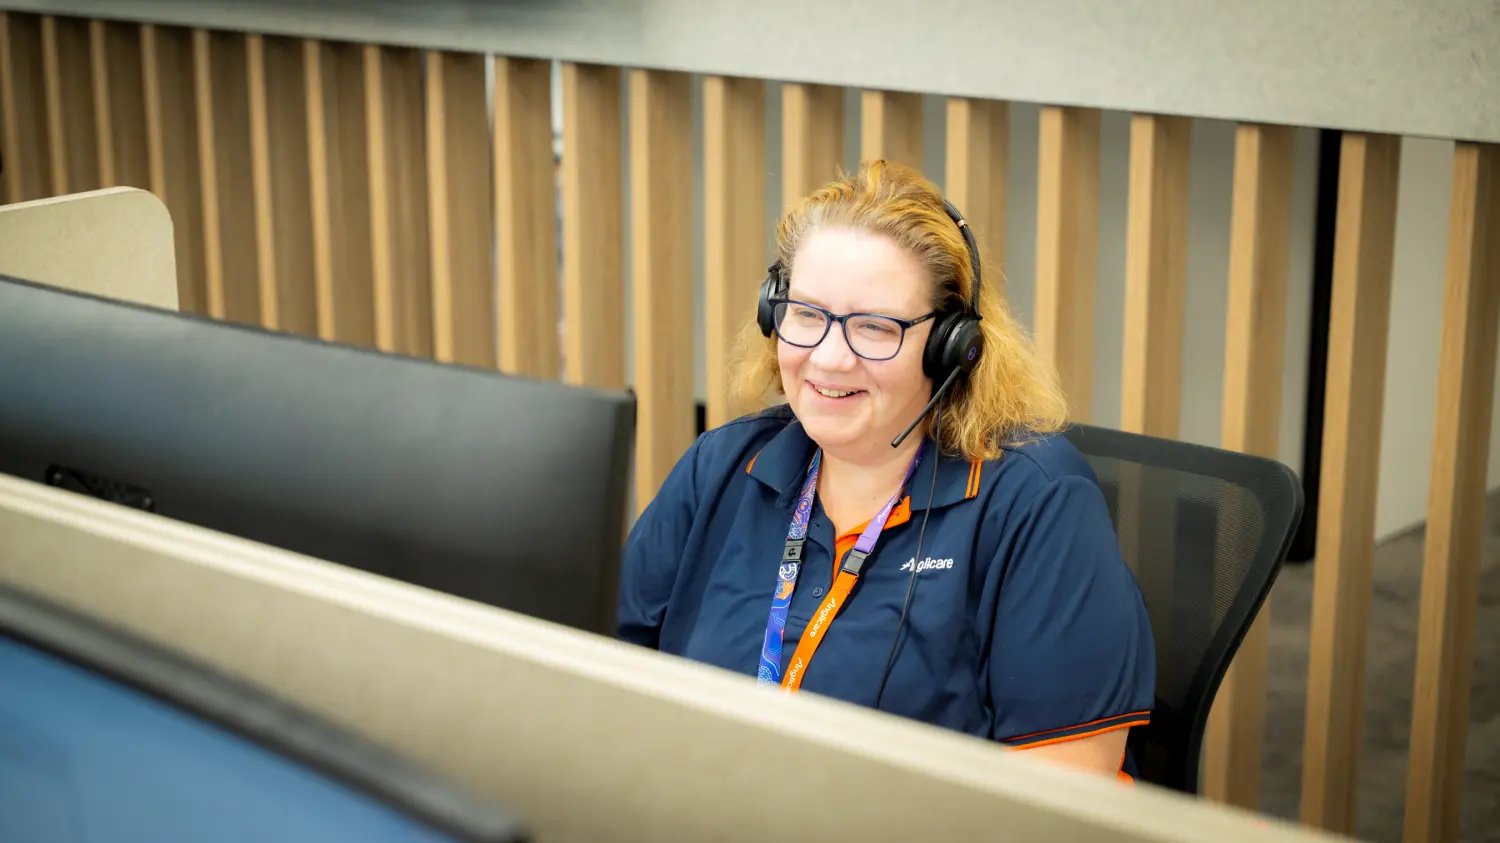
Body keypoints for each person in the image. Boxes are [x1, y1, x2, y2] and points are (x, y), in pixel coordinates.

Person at [617, 160, 1155, 779]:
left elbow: (1067, 792)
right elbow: (598, 672)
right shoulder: (723, 466)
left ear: (951, 345)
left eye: (874, 327)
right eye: (807, 315)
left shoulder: (1036, 502)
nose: (829, 357)